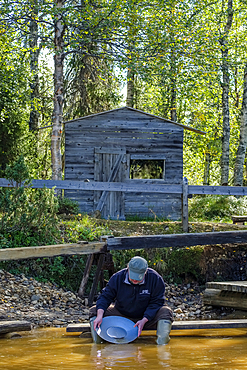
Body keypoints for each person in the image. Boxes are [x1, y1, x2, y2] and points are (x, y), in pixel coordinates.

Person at [89, 256, 173, 345]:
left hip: (146, 318)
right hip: (121, 315)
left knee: (166, 311)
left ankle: (162, 344)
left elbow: (157, 302)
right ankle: (98, 343)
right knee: (94, 310)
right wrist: (99, 315)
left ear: (145, 272)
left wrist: (144, 319)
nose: (135, 280)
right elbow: (105, 297)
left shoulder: (155, 279)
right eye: (132, 276)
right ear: (128, 269)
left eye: (138, 277)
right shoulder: (117, 277)